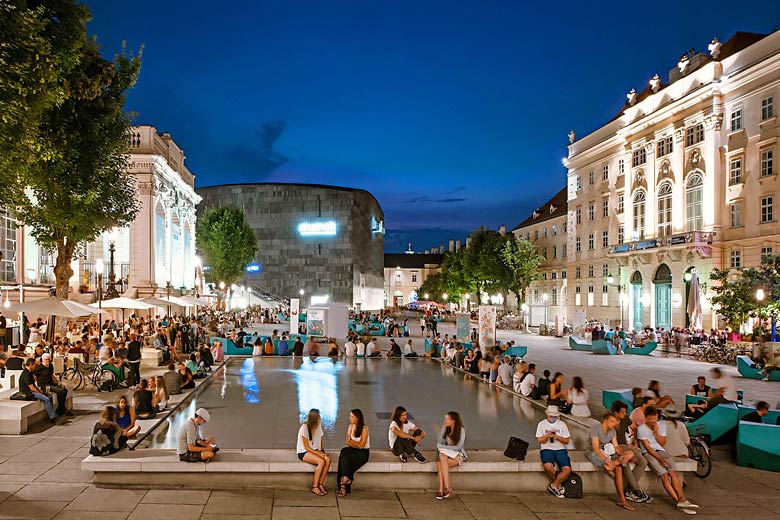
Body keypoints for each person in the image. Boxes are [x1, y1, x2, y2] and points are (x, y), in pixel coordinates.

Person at [638, 407, 698, 514]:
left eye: (655, 418)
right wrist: (660, 458)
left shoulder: (661, 425)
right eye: (651, 418)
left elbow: (662, 443)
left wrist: (656, 432)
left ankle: (682, 500)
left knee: (673, 474)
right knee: (664, 476)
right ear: (646, 418)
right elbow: (648, 448)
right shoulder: (641, 429)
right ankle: (678, 502)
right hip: (650, 453)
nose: (653, 421)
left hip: (661, 450)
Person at [586, 412, 635, 511]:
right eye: (612, 421)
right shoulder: (595, 429)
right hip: (595, 453)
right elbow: (595, 448)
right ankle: (623, 499)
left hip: (607, 451)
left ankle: (622, 500)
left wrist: (623, 454)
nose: (614, 424)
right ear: (605, 420)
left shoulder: (612, 431)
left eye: (615, 422)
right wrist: (606, 459)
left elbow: (616, 446)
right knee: (618, 469)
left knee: (629, 455)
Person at [610, 401, 651, 503]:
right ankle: (636, 490)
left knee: (643, 462)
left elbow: (635, 428)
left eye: (625, 412)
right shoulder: (609, 420)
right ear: (615, 412)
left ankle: (629, 489)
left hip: (626, 445)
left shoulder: (625, 419)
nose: (625, 414)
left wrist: (635, 443)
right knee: (625, 463)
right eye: (622, 412)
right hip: (614, 447)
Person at [536, 405, 571, 498]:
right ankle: (558, 484)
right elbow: (539, 440)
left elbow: (567, 441)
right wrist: (547, 436)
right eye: (551, 416)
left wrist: (558, 438)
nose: (552, 418)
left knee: (567, 470)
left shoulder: (562, 424)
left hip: (560, 449)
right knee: (548, 467)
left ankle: (554, 485)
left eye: (554, 416)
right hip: (547, 448)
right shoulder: (541, 424)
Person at [297, 408, 331, 496]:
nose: (320, 418)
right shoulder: (304, 428)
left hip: (315, 449)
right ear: (314, 418)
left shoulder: (318, 425)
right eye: (319, 416)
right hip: (304, 452)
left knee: (327, 459)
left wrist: (323, 452)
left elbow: (320, 440)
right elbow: (307, 447)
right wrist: (320, 454)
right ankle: (315, 487)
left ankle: (320, 484)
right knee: (321, 461)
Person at [337, 408, 370, 497]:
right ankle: (346, 479)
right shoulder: (350, 427)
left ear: (357, 418)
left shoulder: (364, 429)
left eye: (352, 416)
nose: (349, 418)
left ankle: (343, 485)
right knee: (344, 451)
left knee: (346, 457)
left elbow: (361, 446)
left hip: (363, 453)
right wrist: (355, 444)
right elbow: (347, 442)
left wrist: (353, 443)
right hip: (353, 450)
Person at [435, 411, 466, 500]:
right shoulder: (447, 429)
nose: (446, 421)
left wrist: (443, 447)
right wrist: (443, 428)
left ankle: (443, 489)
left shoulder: (461, 430)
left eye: (447, 419)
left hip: (458, 455)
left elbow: (459, 447)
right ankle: (445, 489)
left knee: (440, 462)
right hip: (448, 455)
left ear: (454, 420)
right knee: (441, 458)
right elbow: (440, 442)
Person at [19, 358, 58, 423]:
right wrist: (41, 393)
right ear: (31, 365)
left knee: (50, 396)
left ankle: (50, 414)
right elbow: (32, 388)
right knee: (46, 399)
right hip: (28, 393)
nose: (35, 366)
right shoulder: (26, 374)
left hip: (31, 391)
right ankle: (53, 417)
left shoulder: (29, 372)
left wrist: (41, 391)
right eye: (35, 365)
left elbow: (34, 385)